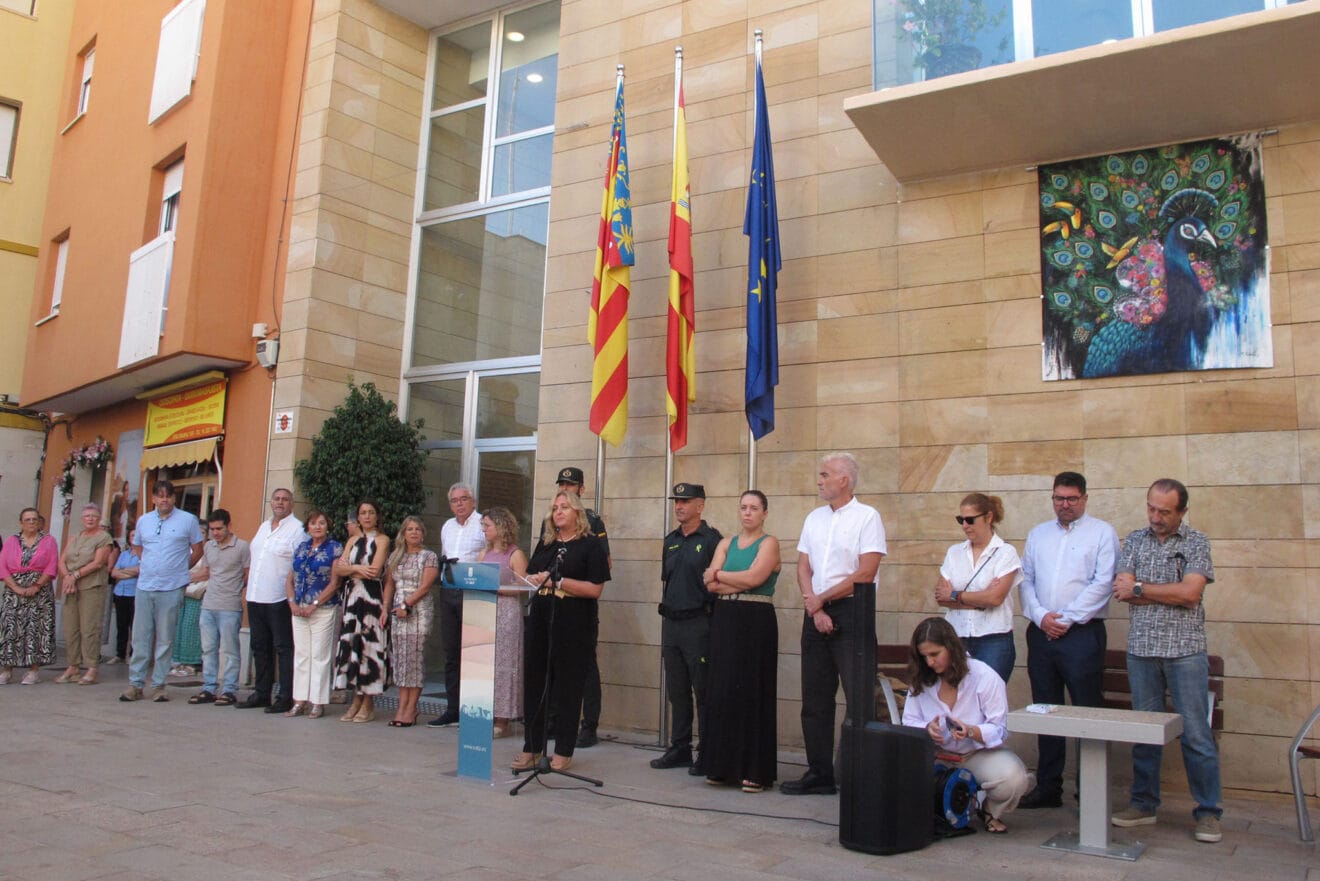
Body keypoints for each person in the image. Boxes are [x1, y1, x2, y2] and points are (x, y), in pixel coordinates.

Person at [1111, 479, 1223, 844]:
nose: (1156, 517)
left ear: (1182, 511)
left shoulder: (1196, 542)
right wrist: (1158, 592)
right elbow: (1122, 590)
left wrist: (1142, 588)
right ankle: (1143, 804)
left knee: (1196, 733)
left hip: (1185, 651)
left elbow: (1190, 594)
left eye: (1165, 511)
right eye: (1151, 508)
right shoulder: (1135, 540)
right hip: (1142, 650)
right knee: (1145, 730)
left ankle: (1208, 811)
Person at [782, 452, 886, 796]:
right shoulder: (814, 518)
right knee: (815, 698)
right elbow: (803, 567)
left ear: (844, 480)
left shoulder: (867, 517)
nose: (819, 480)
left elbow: (866, 572)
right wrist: (815, 606)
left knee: (858, 697)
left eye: (825, 474)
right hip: (815, 610)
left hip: (852, 610)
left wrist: (822, 599)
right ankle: (819, 773)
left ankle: (859, 776)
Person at [1017, 471, 1119, 808]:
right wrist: (1040, 615)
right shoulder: (1038, 534)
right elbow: (1026, 580)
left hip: (1081, 634)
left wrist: (1067, 618)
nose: (1065, 504)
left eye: (1072, 498)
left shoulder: (1102, 533)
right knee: (1045, 708)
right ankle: (1049, 787)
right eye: (1059, 498)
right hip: (1042, 632)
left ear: (1084, 499)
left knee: (1087, 710)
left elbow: (1103, 583)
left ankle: (1091, 791)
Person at [902, 617, 1030, 834]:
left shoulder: (984, 676)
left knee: (1014, 779)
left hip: (975, 754)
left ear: (951, 648)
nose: (930, 662)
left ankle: (989, 810)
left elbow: (1000, 728)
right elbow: (909, 721)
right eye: (924, 657)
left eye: (934, 654)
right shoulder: (921, 678)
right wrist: (927, 729)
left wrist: (972, 730)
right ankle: (942, 806)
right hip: (935, 755)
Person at [512, 491, 610, 773]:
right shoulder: (547, 544)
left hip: (574, 620)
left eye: (565, 507)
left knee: (568, 686)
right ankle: (532, 746)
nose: (558, 512)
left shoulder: (590, 545)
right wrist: (534, 579)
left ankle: (564, 750)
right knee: (535, 682)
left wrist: (559, 581)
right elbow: (532, 575)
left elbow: (595, 589)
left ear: (577, 513)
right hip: (541, 616)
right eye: (555, 507)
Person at [699, 490, 781, 792]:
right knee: (722, 688)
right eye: (743, 507)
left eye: (754, 508)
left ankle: (755, 770)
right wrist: (728, 578)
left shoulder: (769, 543)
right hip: (725, 618)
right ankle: (721, 766)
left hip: (756, 620)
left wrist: (720, 574)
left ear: (764, 513)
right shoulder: (725, 543)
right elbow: (709, 583)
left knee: (752, 689)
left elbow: (754, 578)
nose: (747, 512)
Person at [649, 482, 721, 773]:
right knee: (677, 691)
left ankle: (708, 750)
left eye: (685, 501)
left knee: (703, 690)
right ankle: (679, 747)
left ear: (700, 506)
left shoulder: (712, 540)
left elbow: (717, 586)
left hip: (699, 624)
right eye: (676, 501)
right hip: (672, 624)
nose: (679, 506)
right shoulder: (671, 540)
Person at [121, 480, 204, 702]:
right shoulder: (144, 520)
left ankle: (158, 685)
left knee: (165, 638)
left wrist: (181, 569)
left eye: (168, 495)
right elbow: (137, 546)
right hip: (145, 585)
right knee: (140, 637)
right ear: (154, 498)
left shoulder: (188, 520)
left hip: (172, 586)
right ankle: (135, 684)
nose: (164, 499)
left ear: (174, 498)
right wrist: (148, 564)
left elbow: (198, 549)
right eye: (160, 495)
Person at [932, 493, 1022, 683]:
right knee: (956, 692)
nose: (965, 525)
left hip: (993, 638)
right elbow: (941, 597)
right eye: (961, 520)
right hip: (957, 636)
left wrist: (955, 594)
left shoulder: (1005, 553)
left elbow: (995, 599)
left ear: (988, 517)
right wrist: (981, 600)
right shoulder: (954, 552)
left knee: (988, 693)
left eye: (970, 520)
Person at [555, 466, 611, 748]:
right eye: (562, 485)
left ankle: (589, 725)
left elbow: (604, 563)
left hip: (580, 603)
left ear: (582, 489)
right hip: (555, 603)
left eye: (571, 485)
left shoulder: (593, 521)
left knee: (586, 665)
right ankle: (556, 720)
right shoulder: (552, 519)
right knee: (557, 663)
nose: (566, 489)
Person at [239, 487, 305, 713]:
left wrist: (293, 597)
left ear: (291, 504)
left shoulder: (297, 530)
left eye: (285, 499)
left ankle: (285, 696)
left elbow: (299, 566)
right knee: (260, 647)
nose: (280, 503)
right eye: (276, 499)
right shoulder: (263, 526)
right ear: (271, 502)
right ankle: (262, 693)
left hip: (279, 598)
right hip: (256, 596)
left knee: (283, 648)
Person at [429, 482, 485, 728]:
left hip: (474, 593)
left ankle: (473, 712)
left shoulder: (482, 523)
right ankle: (452, 709)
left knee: (473, 654)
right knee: (451, 653)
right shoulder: (447, 526)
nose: (459, 504)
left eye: (464, 499)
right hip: (449, 591)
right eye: (454, 500)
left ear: (473, 501)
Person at [333, 499, 391, 723]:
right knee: (353, 646)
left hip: (371, 599)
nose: (367, 516)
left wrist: (350, 569)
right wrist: (357, 568)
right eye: (363, 513)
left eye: (371, 512)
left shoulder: (383, 540)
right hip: (352, 599)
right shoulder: (352, 540)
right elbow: (339, 570)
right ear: (358, 517)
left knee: (369, 647)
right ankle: (356, 700)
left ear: (377, 516)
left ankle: (368, 702)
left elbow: (374, 571)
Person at [187, 510, 251, 706]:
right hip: (208, 604)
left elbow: (248, 574)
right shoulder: (209, 546)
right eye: (212, 529)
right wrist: (183, 577)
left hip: (230, 606)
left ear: (229, 526)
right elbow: (206, 572)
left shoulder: (242, 547)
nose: (215, 533)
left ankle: (229, 689)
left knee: (230, 650)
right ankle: (209, 687)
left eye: (219, 529)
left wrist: (236, 589)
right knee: (208, 649)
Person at [284, 509, 343, 718]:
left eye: (322, 523)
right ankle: (299, 701)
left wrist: (315, 604)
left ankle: (317, 702)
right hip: (299, 609)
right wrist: (292, 602)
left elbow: (335, 583)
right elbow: (290, 578)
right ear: (307, 527)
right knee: (301, 655)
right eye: (313, 523)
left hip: (323, 609)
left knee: (320, 655)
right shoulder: (301, 548)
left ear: (328, 526)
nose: (317, 527)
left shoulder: (335, 548)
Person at [479, 506, 530, 738]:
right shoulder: (483, 553)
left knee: (505, 663)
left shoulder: (515, 554)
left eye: (487, 525)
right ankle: (483, 713)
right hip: (484, 610)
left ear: (500, 527)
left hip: (507, 611)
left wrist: (497, 588)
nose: (484, 530)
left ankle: (503, 718)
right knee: (485, 663)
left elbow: (524, 587)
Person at [386, 516, 438, 728]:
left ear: (423, 534)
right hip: (397, 611)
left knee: (414, 659)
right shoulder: (395, 556)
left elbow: (425, 587)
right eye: (410, 529)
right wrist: (385, 609)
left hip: (419, 610)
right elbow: (389, 585)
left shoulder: (429, 556)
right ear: (403, 533)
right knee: (401, 659)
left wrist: (406, 605)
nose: (414, 532)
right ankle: (401, 707)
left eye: (418, 529)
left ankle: (411, 708)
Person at [56, 503, 115, 685]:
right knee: (71, 627)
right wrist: (67, 577)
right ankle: (73, 665)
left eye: (94, 516)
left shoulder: (104, 537)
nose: (90, 519)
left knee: (89, 628)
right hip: (71, 587)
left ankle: (91, 667)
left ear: (99, 519)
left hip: (91, 586)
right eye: (87, 516)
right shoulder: (75, 537)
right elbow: (61, 561)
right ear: (82, 519)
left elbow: (98, 563)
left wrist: (74, 575)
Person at [0, 508, 59, 685]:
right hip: (13, 591)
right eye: (28, 519)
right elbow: (2, 566)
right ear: (21, 523)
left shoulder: (48, 541)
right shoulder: (11, 541)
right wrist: (16, 588)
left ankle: (33, 671)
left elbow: (52, 565)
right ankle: (7, 670)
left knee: (36, 629)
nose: (32, 522)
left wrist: (36, 586)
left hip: (40, 591)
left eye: (35, 519)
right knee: (10, 629)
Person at [108, 533, 140, 664]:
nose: (134, 537)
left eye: (136, 535)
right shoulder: (124, 554)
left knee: (134, 626)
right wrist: (130, 572)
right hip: (120, 592)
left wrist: (123, 571)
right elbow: (113, 573)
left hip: (134, 593)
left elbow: (140, 571)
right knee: (121, 625)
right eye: (131, 535)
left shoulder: (143, 554)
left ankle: (133, 654)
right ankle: (119, 654)